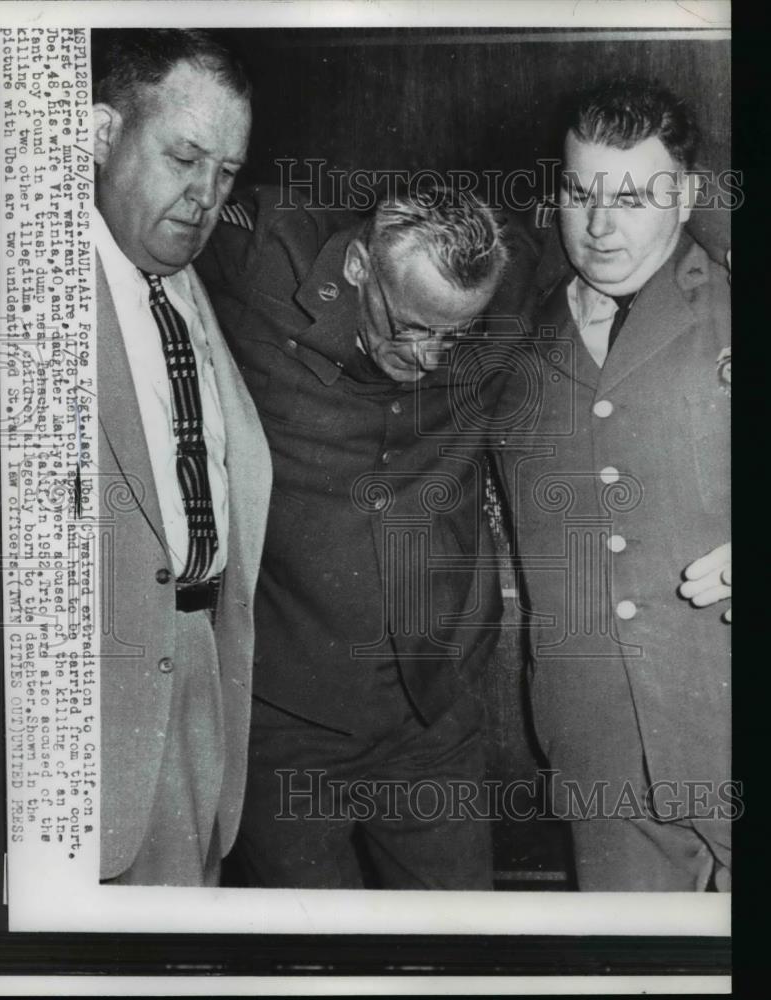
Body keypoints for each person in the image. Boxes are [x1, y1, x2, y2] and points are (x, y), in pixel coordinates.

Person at [195, 183, 511, 889]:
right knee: (315, 965)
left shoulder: (507, 275)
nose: (431, 357)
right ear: (362, 265)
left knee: (468, 955)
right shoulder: (260, 263)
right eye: (410, 327)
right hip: (286, 726)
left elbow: (624, 231)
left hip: (432, 717)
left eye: (455, 336)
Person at [494, 78, 731, 890]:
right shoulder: (509, 330)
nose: (598, 225)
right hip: (599, 746)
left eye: (630, 197)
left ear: (686, 194)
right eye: (578, 192)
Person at [91, 29, 271, 886]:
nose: (206, 196)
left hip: (202, 674)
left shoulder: (192, 281)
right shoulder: (36, 290)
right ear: (100, 135)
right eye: (184, 157)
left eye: (226, 171)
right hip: (92, 717)